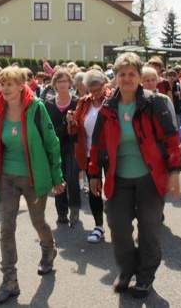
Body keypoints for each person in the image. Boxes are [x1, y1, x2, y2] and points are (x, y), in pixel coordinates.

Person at [88, 52, 181, 299]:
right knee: (117, 226)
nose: (127, 78)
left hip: (150, 178)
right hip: (119, 178)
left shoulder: (154, 102)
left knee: (149, 229)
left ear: (140, 77)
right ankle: (128, 268)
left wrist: (174, 172)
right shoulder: (108, 107)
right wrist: (94, 173)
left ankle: (145, 277)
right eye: (122, 74)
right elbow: (97, 144)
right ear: (115, 78)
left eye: (132, 74)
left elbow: (171, 139)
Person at [0, 67, 65, 305]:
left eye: (9, 84)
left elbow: (52, 143)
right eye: (1, 84)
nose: (4, 89)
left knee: (38, 221)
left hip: (33, 177)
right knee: (6, 227)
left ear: (21, 86)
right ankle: (9, 280)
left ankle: (48, 249)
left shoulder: (36, 108)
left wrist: (57, 177)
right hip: (6, 176)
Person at [71, 69, 111, 243]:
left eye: (98, 89)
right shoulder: (83, 102)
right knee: (94, 190)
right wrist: (71, 122)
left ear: (104, 85)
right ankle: (98, 226)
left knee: (114, 189)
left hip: (111, 153)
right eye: (91, 90)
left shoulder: (112, 100)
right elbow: (75, 128)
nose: (95, 94)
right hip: (89, 153)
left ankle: (119, 223)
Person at [45, 69, 81, 225]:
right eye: (59, 81)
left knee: (72, 179)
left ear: (70, 83)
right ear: (54, 84)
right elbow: (47, 127)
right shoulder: (49, 103)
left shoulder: (77, 101)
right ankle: (61, 212)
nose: (62, 84)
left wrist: (72, 122)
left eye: (65, 81)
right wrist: (65, 123)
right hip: (55, 146)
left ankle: (74, 208)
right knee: (58, 179)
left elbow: (81, 126)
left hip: (72, 145)